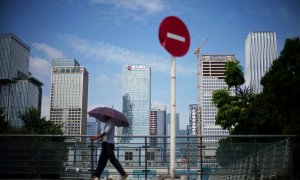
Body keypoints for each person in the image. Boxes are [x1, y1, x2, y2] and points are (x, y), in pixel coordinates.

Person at [90, 115, 128, 180]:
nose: (103, 117)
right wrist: (102, 138)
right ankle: (96, 176)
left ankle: (123, 174)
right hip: (105, 144)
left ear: (108, 116)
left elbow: (106, 132)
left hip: (108, 145)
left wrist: (96, 137)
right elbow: (105, 133)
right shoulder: (108, 122)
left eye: (104, 115)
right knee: (102, 161)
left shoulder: (111, 122)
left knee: (112, 160)